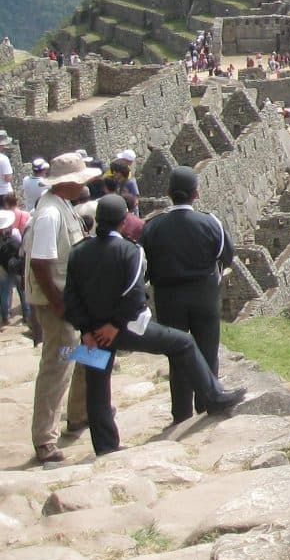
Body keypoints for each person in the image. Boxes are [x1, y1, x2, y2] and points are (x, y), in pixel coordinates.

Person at [63, 195, 246, 455]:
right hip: (125, 329)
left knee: (96, 386)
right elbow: (134, 297)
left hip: (92, 334)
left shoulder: (78, 252)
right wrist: (115, 325)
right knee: (184, 343)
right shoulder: (130, 251)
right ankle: (213, 397)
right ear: (124, 221)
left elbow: (70, 298)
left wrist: (86, 331)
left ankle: (105, 445)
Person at [142, 165, 234, 421]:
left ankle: (181, 412)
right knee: (207, 350)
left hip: (168, 296)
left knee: (177, 352)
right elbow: (225, 255)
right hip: (203, 293)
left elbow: (145, 264)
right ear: (196, 194)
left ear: (169, 193)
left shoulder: (153, 226)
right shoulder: (209, 222)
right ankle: (206, 403)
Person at [25, 152, 97, 462]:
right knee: (58, 365)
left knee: (88, 354)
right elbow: (41, 264)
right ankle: (45, 438)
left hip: (69, 302)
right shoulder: (50, 215)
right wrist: (58, 305)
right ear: (68, 183)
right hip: (57, 305)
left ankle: (80, 413)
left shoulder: (61, 207)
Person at [0, 188, 27, 327]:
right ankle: (27, 315)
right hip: (16, 263)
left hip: (2, 268)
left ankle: (5, 317)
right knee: (22, 291)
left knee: (4, 292)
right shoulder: (15, 232)